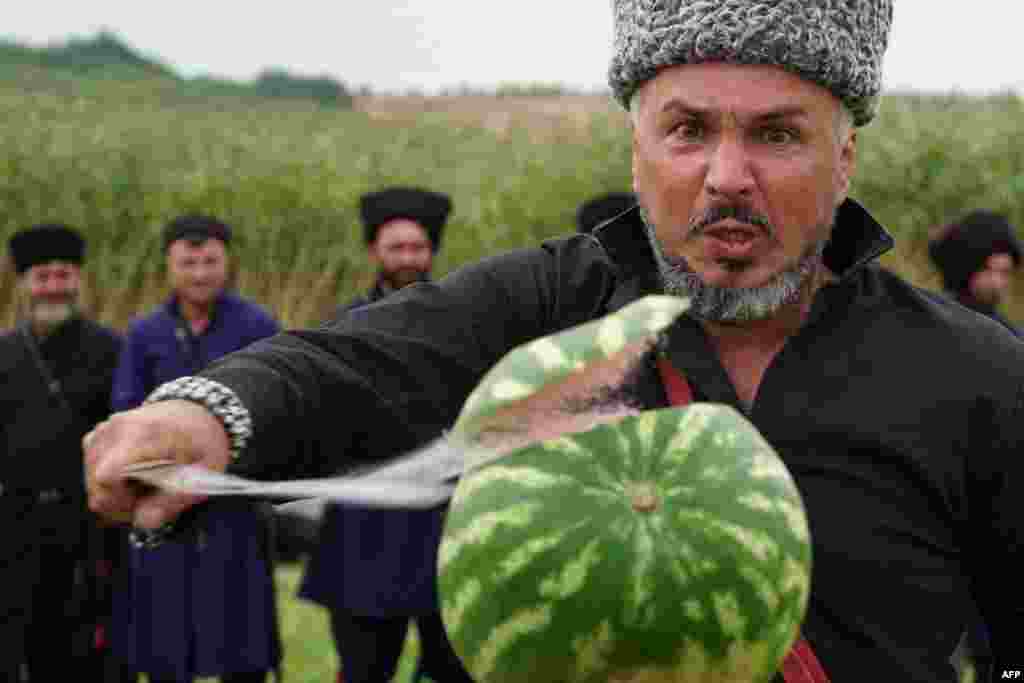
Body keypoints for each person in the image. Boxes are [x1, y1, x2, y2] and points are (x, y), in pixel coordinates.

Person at [85, 2, 1024, 681]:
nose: (726, 177)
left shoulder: (973, 376)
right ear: (637, 147)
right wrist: (205, 413)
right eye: (687, 129)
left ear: (845, 156)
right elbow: (359, 362)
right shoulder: (549, 303)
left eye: (778, 134)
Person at [297, 187, 472, 683]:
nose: (408, 259)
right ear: (375, 252)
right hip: (364, 521)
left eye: (417, 248)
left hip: (446, 521)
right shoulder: (342, 327)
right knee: (363, 670)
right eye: (397, 248)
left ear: (431, 252)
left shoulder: (469, 319)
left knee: (453, 669)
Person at [107, 214, 282, 683]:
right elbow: (127, 414)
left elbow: (281, 412)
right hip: (165, 511)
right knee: (166, 653)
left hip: (235, 511)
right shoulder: (144, 334)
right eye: (189, 263)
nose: (200, 273)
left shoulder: (257, 326)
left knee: (242, 653)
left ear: (227, 263)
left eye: (210, 261)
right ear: (170, 266)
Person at [1, 224, 121, 681]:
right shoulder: (4, 353)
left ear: (79, 280)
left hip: (88, 524)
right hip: (15, 525)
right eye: (43, 276)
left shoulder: (111, 348)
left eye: (64, 275)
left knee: (86, 642)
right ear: (25, 284)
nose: (54, 286)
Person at [928, 209, 1022, 336]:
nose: (1002, 282)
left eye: (1006, 273)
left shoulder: (1009, 337)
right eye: (999, 271)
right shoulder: (930, 323)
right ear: (969, 270)